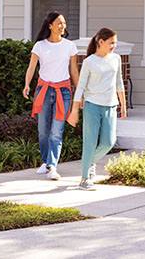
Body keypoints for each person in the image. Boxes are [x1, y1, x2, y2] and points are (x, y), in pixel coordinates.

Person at [67, 28, 127, 191]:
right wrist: (74, 110)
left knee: (109, 142)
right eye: (111, 43)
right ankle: (84, 178)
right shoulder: (89, 62)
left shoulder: (116, 58)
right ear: (101, 42)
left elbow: (119, 82)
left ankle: (89, 162)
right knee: (90, 142)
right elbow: (80, 87)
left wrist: (123, 104)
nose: (114, 46)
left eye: (115, 43)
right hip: (92, 105)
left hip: (111, 105)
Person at [23, 12, 80, 181]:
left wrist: (79, 92)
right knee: (42, 131)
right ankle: (45, 161)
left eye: (64, 23)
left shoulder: (70, 46)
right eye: (59, 23)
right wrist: (27, 85)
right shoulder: (40, 46)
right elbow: (31, 68)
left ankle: (52, 166)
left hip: (63, 91)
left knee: (56, 131)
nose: (63, 26)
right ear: (50, 26)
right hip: (44, 90)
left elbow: (74, 71)